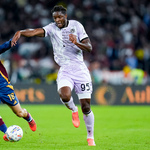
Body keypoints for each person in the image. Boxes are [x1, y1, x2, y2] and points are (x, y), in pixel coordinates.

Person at [11, 5, 96, 146]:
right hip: (65, 70)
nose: (57, 20)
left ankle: (90, 137)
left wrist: (77, 42)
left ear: (65, 16)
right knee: (65, 95)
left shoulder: (77, 26)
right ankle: (73, 110)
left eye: (60, 17)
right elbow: (35, 32)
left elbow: (89, 48)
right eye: (55, 18)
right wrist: (20, 32)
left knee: (86, 107)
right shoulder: (52, 28)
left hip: (80, 70)